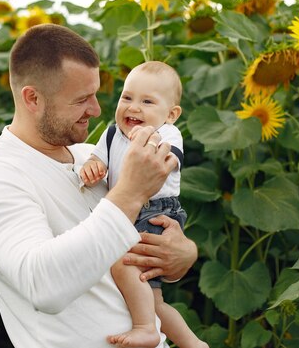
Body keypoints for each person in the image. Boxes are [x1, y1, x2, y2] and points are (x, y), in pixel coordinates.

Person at [0, 24, 198, 348]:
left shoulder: (92, 157)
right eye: (82, 99)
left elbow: (131, 244)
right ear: (33, 98)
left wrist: (181, 254)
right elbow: (41, 284)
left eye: (96, 94)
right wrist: (129, 192)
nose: (97, 110)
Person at [80, 61, 208, 348]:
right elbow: (99, 158)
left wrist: (147, 141)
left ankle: (145, 328)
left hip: (156, 210)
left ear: (171, 114)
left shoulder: (168, 133)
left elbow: (167, 162)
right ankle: (192, 343)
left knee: (123, 263)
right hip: (130, 210)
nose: (133, 107)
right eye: (127, 98)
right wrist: (92, 166)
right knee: (154, 299)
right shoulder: (112, 133)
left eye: (147, 101)